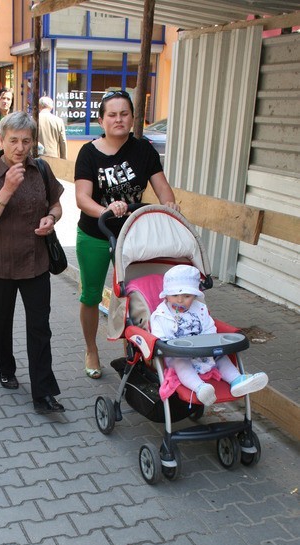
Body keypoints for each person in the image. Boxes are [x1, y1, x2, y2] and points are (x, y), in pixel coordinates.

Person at [75, 89, 179, 380]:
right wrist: (107, 210)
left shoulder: (144, 150)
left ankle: (130, 352)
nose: (119, 119)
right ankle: (91, 348)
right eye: (112, 114)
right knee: (91, 295)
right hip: (96, 233)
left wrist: (168, 204)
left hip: (134, 236)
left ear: (133, 118)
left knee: (134, 296)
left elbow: (162, 187)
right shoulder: (88, 153)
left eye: (124, 114)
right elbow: (82, 198)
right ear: (101, 120)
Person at [0, 111, 65, 415]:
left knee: (40, 328)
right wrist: (7, 189)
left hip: (36, 263)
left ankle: (44, 393)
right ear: (1, 139)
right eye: (13, 140)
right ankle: (5, 367)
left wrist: (52, 217)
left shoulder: (42, 169)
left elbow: (57, 204)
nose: (20, 147)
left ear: (33, 142)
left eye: (26, 141)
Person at [150, 265, 269, 405]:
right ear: (166, 295)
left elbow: (210, 329)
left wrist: (208, 345)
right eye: (175, 295)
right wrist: (176, 348)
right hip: (178, 354)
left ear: (194, 295)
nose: (180, 300)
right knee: (181, 363)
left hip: (203, 350)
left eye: (187, 296)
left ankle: (237, 381)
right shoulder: (161, 315)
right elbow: (159, 340)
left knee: (221, 357)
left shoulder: (200, 309)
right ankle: (200, 388)